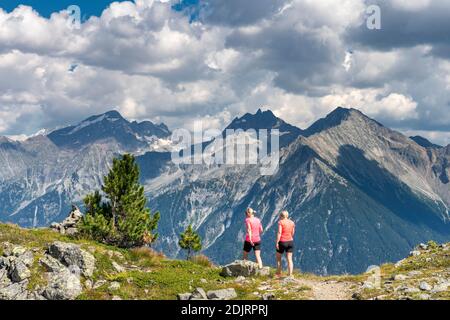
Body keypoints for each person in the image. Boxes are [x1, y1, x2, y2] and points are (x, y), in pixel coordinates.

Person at [276, 210, 295, 277]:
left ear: (281, 216)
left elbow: (279, 232)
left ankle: (278, 273)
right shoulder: (292, 222)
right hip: (290, 241)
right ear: (287, 216)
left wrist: (277, 242)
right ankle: (290, 274)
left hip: (282, 241)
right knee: (289, 259)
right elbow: (292, 233)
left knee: (278, 258)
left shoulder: (281, 222)